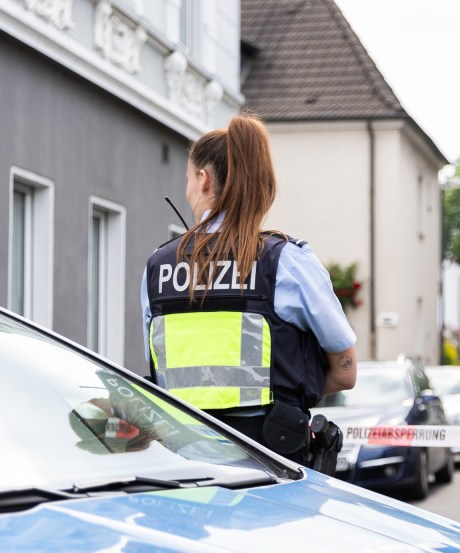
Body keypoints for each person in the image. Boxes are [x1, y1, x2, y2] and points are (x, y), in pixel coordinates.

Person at [141, 112, 356, 464]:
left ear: (203, 179)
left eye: (188, 180)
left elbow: (158, 368)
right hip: (271, 469)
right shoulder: (287, 262)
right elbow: (345, 372)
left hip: (181, 472)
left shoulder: (157, 267)